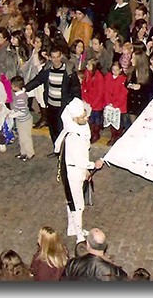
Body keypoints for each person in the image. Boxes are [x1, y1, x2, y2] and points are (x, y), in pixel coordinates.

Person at [54, 98, 104, 243]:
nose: (86, 117)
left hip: (77, 170)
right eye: (83, 116)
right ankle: (79, 236)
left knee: (72, 201)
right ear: (75, 118)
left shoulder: (79, 129)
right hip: (74, 172)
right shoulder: (74, 137)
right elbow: (80, 160)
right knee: (78, 204)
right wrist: (93, 165)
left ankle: (72, 228)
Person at [25, 48, 82, 145]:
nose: (56, 60)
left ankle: (62, 153)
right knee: (52, 129)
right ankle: (56, 149)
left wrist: (74, 106)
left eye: (57, 57)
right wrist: (24, 89)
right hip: (51, 104)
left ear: (61, 57)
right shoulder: (48, 69)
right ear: (50, 58)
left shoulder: (68, 71)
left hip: (63, 106)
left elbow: (75, 89)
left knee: (61, 129)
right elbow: (38, 80)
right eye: (53, 57)